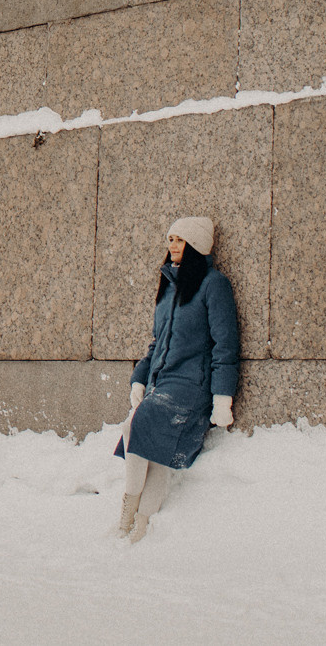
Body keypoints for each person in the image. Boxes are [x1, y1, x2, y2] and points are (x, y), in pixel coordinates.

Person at [113, 215, 240, 543]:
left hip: (191, 387)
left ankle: (127, 508)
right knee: (153, 452)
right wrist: (139, 379)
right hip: (162, 382)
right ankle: (141, 524)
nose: (171, 245)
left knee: (134, 427)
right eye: (169, 239)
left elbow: (225, 344)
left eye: (179, 239)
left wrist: (222, 397)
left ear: (196, 244)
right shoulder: (168, 287)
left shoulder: (214, 284)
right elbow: (156, 343)